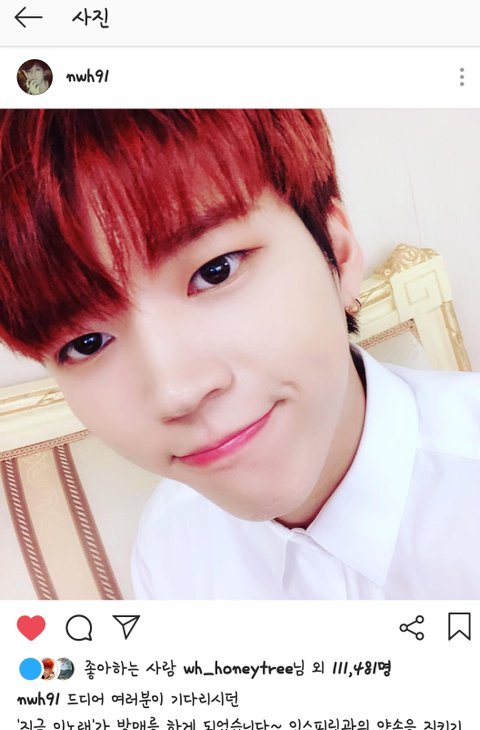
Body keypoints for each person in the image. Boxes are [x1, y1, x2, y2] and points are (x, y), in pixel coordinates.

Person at [0, 109, 479, 600]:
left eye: (216, 271)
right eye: (85, 344)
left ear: (336, 251)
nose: (176, 392)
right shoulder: (169, 548)